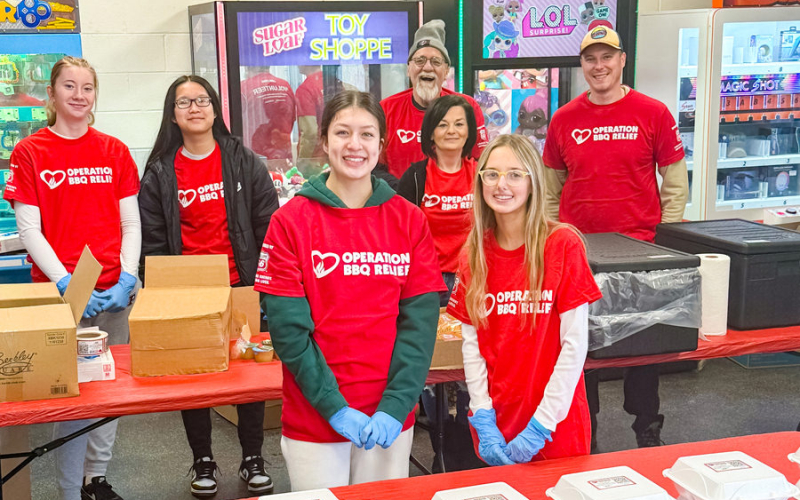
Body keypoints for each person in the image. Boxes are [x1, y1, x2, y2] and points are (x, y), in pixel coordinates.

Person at [256, 90, 444, 490]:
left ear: (381, 144)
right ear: (324, 141)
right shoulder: (290, 222)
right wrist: (333, 406)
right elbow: (289, 332)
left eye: (366, 134)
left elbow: (420, 326)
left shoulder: (409, 221)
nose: (354, 145)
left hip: (388, 416)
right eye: (342, 133)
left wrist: (397, 405)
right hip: (314, 417)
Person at [543, 26, 689, 450]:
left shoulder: (653, 112)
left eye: (607, 56)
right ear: (582, 65)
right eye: (590, 58)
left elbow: (674, 182)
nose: (599, 65)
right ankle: (586, 432)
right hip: (581, 255)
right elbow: (551, 191)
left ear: (622, 60)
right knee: (580, 347)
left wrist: (665, 242)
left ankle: (647, 428)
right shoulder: (564, 118)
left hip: (641, 251)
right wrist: (556, 241)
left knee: (644, 347)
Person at [3, 56, 140, 500]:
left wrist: (128, 277)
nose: (79, 95)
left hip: (113, 293)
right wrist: (65, 281)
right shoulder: (30, 151)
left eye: (87, 87)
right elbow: (29, 230)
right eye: (69, 86)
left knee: (109, 392)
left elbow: (131, 223)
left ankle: (95, 480)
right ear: (51, 93)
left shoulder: (115, 151)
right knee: (73, 397)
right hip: (60, 297)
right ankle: (67, 491)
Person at [138, 75, 279, 498]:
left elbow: (268, 224)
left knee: (248, 377)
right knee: (193, 378)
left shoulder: (242, 160)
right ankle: (203, 459)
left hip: (241, 284)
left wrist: (266, 282)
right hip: (187, 293)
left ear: (216, 109)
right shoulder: (160, 171)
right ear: (173, 115)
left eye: (202, 100)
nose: (194, 108)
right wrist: (159, 294)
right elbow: (153, 240)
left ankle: (253, 457)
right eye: (184, 103)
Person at [446, 134, 602, 465]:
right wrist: (481, 412)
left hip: (555, 426)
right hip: (498, 423)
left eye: (515, 174)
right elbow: (472, 346)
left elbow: (575, 345)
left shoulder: (562, 245)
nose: (502, 184)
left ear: (533, 183)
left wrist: (542, 424)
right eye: (492, 174)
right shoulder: (473, 254)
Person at [397, 94, 479, 471]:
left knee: (470, 361)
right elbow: (398, 232)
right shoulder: (415, 177)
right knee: (431, 369)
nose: (451, 131)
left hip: (472, 280)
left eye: (459, 124)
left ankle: (468, 442)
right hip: (427, 282)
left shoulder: (482, 174)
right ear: (430, 133)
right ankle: (441, 442)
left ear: (470, 131)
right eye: (443, 124)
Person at [381, 19, 488, 180]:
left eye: (436, 62)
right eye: (420, 60)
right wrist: (401, 191)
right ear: (408, 69)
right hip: (400, 194)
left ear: (446, 71)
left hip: (454, 195)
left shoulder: (467, 107)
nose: (427, 67)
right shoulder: (386, 109)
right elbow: (375, 167)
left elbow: (481, 162)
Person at [240, 66, 296, 166]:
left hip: (253, 158)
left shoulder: (243, 87)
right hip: (283, 156)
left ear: (246, 68)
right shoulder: (285, 85)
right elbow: (292, 118)